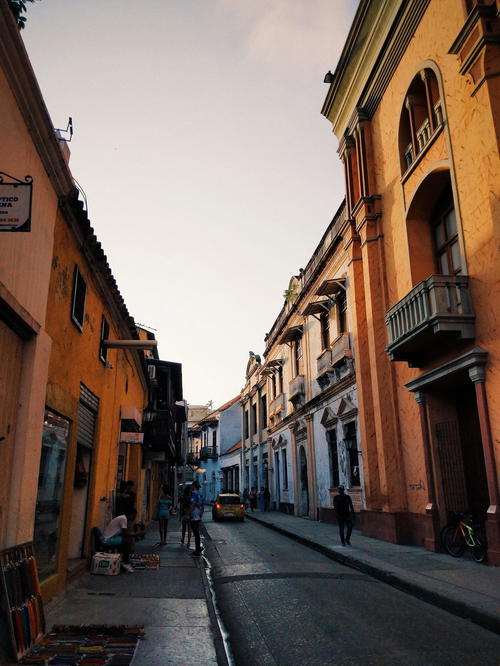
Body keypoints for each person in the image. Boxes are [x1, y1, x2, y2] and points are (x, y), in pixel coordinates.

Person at [102, 508, 145, 572]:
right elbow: (126, 533)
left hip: (109, 538)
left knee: (126, 539)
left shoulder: (122, 518)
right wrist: (138, 534)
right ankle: (125, 562)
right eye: (134, 516)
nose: (134, 518)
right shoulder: (123, 519)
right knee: (127, 540)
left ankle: (124, 559)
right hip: (108, 540)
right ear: (130, 515)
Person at [189, 480, 204, 556]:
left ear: (194, 486)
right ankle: (198, 548)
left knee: (195, 532)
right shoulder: (200, 494)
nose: (191, 487)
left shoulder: (194, 494)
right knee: (197, 532)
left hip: (194, 514)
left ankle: (197, 549)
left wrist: (189, 513)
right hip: (198, 514)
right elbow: (202, 505)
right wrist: (201, 514)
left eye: (192, 486)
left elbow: (193, 504)